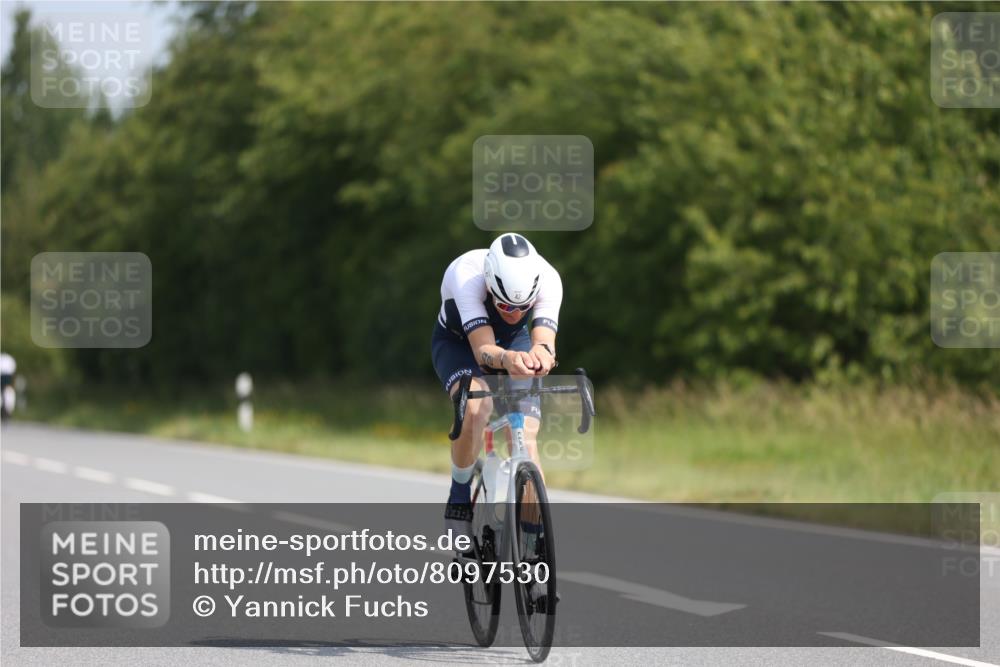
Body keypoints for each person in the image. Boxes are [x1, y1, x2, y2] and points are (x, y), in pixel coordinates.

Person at [431, 233, 561, 535]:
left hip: (513, 343)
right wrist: (509, 360)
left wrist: (542, 357)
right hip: (460, 344)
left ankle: (532, 540)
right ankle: (459, 495)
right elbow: (483, 351)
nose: (515, 314)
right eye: (504, 306)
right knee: (477, 409)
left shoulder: (550, 280)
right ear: (489, 285)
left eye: (522, 308)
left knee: (527, 435)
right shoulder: (466, 275)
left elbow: (544, 341)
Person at [1, 352, 17, 421]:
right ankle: (6, 412)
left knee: (8, 394)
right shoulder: (8, 360)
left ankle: (6, 412)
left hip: (6, 377)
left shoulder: (7, 359)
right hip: (7, 376)